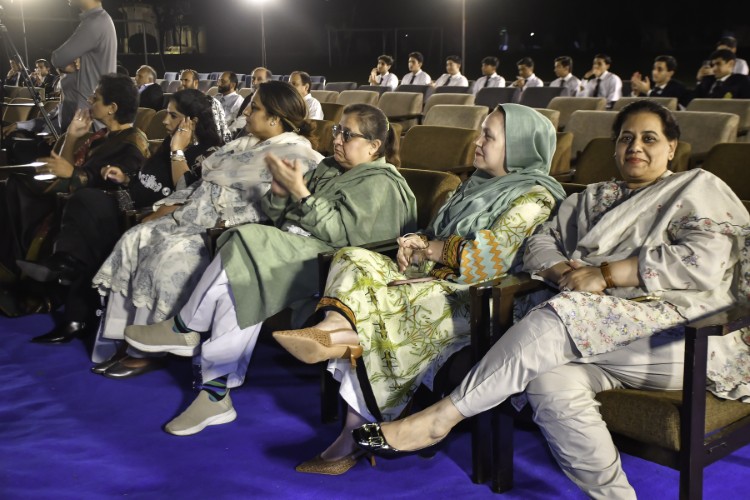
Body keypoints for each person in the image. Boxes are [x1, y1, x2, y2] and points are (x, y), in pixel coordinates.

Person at [351, 100, 750, 499]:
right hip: (595, 338)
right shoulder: (594, 198)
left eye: (650, 139)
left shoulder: (696, 188)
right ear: (614, 147)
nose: (636, 147)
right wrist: (564, 273)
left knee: (563, 312)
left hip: (677, 337)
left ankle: (440, 418)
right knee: (547, 383)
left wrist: (606, 274)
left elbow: (704, 260)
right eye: (626, 138)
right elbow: (540, 243)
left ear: (672, 146)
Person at [273, 103, 566, 475]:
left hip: (483, 299)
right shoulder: (475, 184)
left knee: (373, 312)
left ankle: (351, 435)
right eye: (480, 132)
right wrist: (415, 244)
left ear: (521, 147)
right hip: (433, 280)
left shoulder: (536, 198)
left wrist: (427, 249)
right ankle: (336, 327)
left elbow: (486, 262)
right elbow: (437, 237)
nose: (477, 142)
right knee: (351, 257)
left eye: (488, 137)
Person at [121, 103, 418, 437]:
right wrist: (279, 195)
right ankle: (214, 393)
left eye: (347, 135)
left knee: (248, 241)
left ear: (373, 146)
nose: (336, 139)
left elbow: (345, 237)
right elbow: (284, 216)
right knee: (242, 278)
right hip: (296, 248)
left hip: (331, 265)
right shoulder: (330, 168)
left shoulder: (380, 183)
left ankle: (186, 327)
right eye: (337, 130)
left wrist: (301, 193)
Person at [89, 81, 324, 377]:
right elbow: (198, 185)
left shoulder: (296, 156)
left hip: (224, 231)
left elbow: (278, 213)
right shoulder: (242, 145)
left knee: (168, 254)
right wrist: (169, 206)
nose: (246, 112)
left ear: (275, 118)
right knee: (135, 237)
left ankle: (148, 351)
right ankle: (123, 338)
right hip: (193, 215)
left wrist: (202, 217)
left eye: (255, 108)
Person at [17, 89, 223, 343]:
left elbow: (185, 193)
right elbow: (148, 177)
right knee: (84, 208)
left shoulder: (208, 152)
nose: (164, 121)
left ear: (193, 121)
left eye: (173, 115)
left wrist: (177, 151)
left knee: (87, 205)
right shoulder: (170, 141)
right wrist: (125, 177)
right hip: (127, 201)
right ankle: (69, 281)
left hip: (150, 217)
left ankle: (68, 280)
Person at [0, 73, 149, 314]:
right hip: (72, 196)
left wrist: (74, 174)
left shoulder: (133, 141)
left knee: (19, 196)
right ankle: (12, 276)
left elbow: (122, 181)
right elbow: (66, 169)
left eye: (95, 98)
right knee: (12, 186)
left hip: (94, 210)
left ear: (112, 108)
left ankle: (28, 286)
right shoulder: (102, 137)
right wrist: (71, 136)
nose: (90, 100)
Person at [51, 0, 117, 132]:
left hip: (87, 116)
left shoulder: (95, 22)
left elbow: (58, 58)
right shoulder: (99, 20)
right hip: (87, 111)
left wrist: (62, 66)